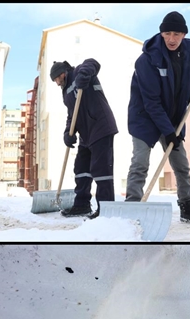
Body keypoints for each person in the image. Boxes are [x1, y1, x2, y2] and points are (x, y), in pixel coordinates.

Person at [125, 11, 190, 224]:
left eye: (177, 34)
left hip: (172, 117)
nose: (172, 39)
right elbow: (151, 102)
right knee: (140, 162)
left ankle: (187, 207)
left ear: (183, 34)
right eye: (168, 33)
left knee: (181, 164)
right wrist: (169, 131)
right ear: (161, 34)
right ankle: (133, 206)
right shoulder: (147, 60)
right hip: (145, 116)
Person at [49, 58, 118, 218]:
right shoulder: (65, 92)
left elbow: (93, 62)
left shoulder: (79, 71)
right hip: (85, 134)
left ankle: (106, 208)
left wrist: (84, 75)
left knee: (101, 170)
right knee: (81, 169)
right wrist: (68, 133)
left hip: (100, 126)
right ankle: (82, 205)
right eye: (55, 81)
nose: (57, 83)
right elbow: (71, 114)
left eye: (57, 79)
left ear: (62, 73)